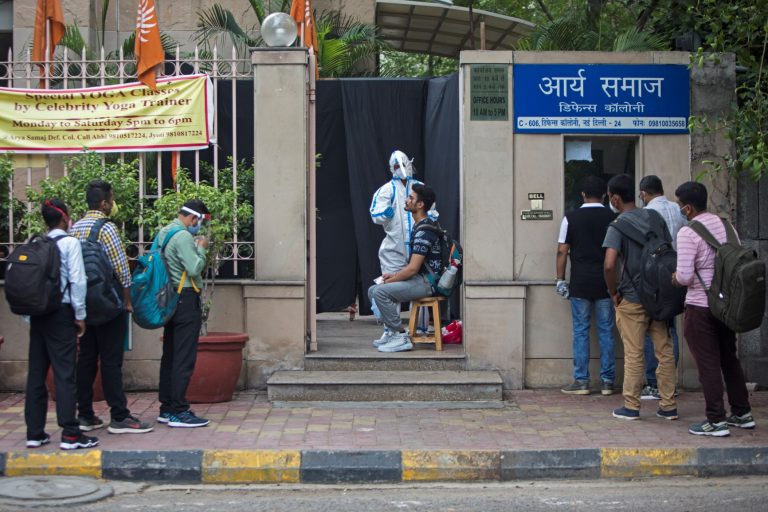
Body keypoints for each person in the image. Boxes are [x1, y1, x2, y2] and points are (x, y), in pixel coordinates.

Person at [672, 181, 755, 436]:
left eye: (679, 205)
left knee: (708, 364)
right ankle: (742, 412)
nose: (679, 209)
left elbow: (685, 276)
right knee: (729, 358)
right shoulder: (727, 226)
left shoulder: (687, 233)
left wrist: (674, 277)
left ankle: (716, 420)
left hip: (701, 306)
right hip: (727, 305)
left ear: (687, 208)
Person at [71, 180, 153, 434]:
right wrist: (127, 301)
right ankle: (119, 416)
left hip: (83, 302)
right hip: (108, 302)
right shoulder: (106, 228)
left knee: (86, 358)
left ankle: (85, 415)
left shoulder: (75, 227)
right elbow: (121, 268)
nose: (113, 203)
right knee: (110, 361)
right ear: (104, 203)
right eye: (112, 199)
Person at [25, 199, 98, 450]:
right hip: (61, 314)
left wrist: (30, 317)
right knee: (65, 374)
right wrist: (80, 315)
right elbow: (78, 280)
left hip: (38, 315)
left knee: (36, 374)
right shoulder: (69, 243)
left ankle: (34, 433)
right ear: (65, 218)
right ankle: (70, 434)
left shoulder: (37, 243)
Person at [603, 174, 678, 421]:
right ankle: (668, 406)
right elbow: (668, 249)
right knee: (664, 350)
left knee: (634, 352)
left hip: (632, 297)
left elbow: (609, 264)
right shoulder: (655, 217)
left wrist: (613, 292)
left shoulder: (617, 225)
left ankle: (631, 406)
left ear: (615, 198)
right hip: (659, 296)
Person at [556, 176, 617, 396]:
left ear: (582, 194)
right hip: (606, 282)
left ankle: (581, 381)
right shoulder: (613, 218)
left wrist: (560, 279)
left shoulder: (570, 218)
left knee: (580, 330)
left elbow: (562, 251)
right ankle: (608, 382)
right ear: (604, 195)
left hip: (580, 281)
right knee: (606, 331)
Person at [156, 199, 211, 428]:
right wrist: (201, 247)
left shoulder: (165, 232)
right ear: (193, 218)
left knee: (170, 354)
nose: (199, 226)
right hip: (185, 298)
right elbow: (194, 268)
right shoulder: (183, 236)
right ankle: (179, 410)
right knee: (183, 356)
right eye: (199, 221)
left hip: (169, 298)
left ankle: (167, 407)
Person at [368, 184, 441, 353]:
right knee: (373, 290)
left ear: (420, 205)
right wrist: (392, 275)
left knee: (381, 292)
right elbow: (413, 268)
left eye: (411, 198)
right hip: (420, 279)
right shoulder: (419, 226)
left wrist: (391, 280)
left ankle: (400, 336)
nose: (407, 200)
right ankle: (391, 331)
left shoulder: (424, 231)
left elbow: (412, 269)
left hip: (428, 283)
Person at [638, 175, 686, 400]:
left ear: (644, 193)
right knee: (671, 328)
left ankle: (655, 383)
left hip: (654, 276)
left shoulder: (647, 213)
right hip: (676, 272)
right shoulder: (678, 209)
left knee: (652, 329)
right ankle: (669, 381)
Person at [369, 150, 424, 346]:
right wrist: (385, 212)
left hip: (418, 247)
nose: (400, 169)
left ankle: (420, 329)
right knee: (389, 291)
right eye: (396, 166)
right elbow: (375, 213)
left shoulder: (419, 188)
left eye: (402, 165)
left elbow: (431, 208)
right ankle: (391, 331)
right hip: (394, 248)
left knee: (418, 290)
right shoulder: (386, 190)